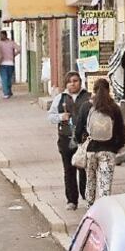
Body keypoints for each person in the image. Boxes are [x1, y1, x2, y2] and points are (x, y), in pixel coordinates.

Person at [74, 78, 125, 204]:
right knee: (105, 184)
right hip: (108, 151)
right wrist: (116, 147)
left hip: (90, 150)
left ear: (94, 90)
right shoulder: (114, 108)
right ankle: (105, 209)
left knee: (90, 181)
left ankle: (90, 208)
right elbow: (121, 131)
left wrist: (81, 143)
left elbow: (78, 129)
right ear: (109, 90)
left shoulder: (86, 106)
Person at [46, 72, 90, 211]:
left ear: (80, 82)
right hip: (65, 140)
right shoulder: (60, 98)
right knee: (69, 170)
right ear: (66, 84)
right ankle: (72, 200)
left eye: (75, 80)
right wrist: (60, 116)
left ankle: (87, 195)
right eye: (70, 81)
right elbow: (50, 117)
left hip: (84, 140)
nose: (73, 83)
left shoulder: (88, 98)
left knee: (85, 169)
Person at [0, 31, 20, 99]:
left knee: (5, 78)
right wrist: (14, 55)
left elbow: (19, 49)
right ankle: (8, 91)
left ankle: (6, 93)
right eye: (0, 35)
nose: (0, 37)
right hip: (9, 63)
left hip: (3, 63)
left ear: (5, 35)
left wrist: (14, 55)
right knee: (8, 78)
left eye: (1, 35)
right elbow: (19, 49)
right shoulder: (11, 42)